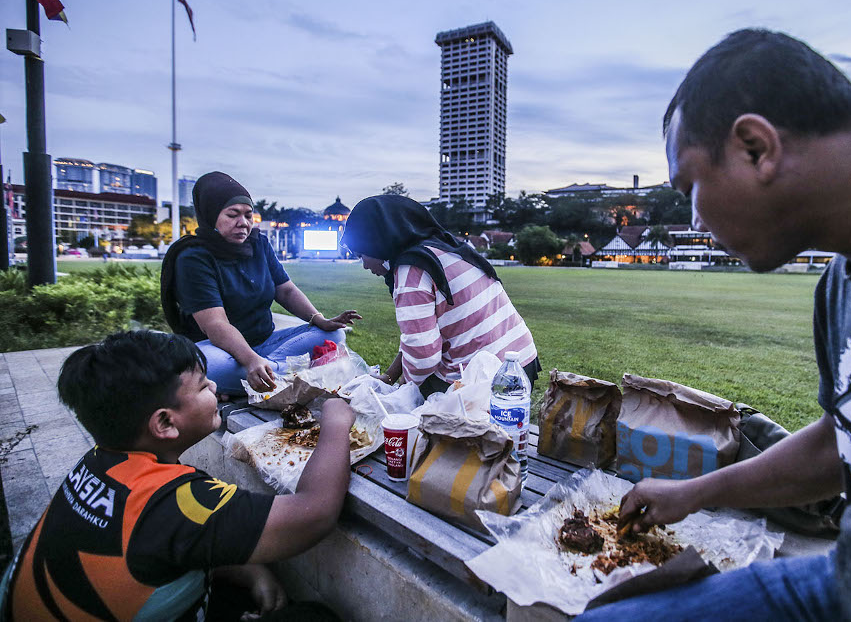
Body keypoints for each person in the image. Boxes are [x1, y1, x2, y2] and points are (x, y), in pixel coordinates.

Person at [577, 29, 851, 621]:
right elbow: (842, 441)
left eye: (691, 185)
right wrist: (692, 494)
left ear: (756, 147)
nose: (695, 216)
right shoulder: (839, 287)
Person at [0, 330, 355, 619]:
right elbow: (315, 513)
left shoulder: (96, 464)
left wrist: (249, 569)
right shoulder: (180, 502)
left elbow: (152, 549)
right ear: (165, 422)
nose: (215, 387)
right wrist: (335, 422)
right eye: (203, 386)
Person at [161, 172, 361, 396]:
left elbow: (285, 290)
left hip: (267, 343)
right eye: (233, 215)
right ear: (210, 216)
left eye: (248, 215)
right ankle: (290, 374)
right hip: (218, 350)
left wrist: (319, 319)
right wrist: (250, 360)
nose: (243, 223)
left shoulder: (259, 244)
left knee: (334, 336)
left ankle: (269, 375)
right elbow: (216, 325)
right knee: (212, 368)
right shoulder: (193, 257)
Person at [341, 195, 540, 397]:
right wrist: (389, 378)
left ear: (377, 243)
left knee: (414, 402)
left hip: (487, 381)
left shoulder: (411, 269)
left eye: (361, 255)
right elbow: (416, 339)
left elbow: (423, 357)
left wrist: (400, 395)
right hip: (522, 362)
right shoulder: (443, 247)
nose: (365, 265)